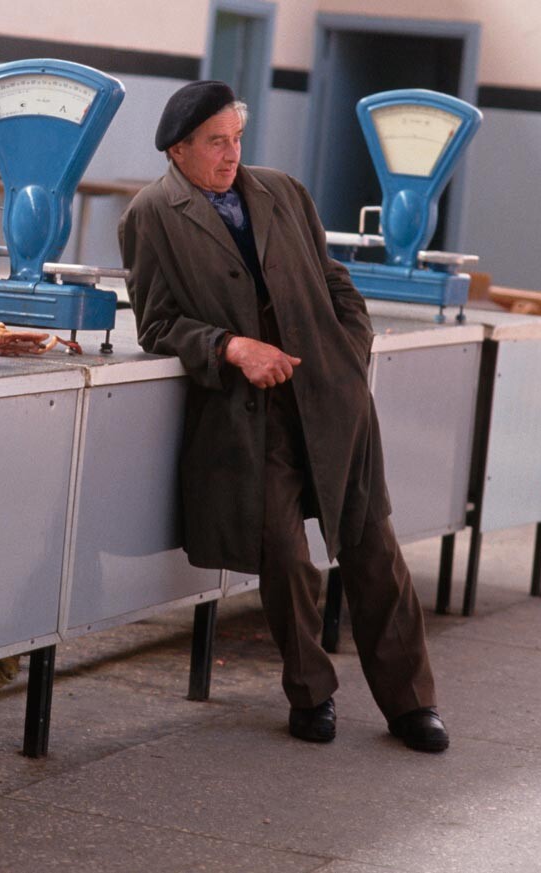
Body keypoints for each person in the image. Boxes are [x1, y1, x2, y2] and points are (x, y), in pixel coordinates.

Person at [119, 80, 448, 753]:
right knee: (284, 554)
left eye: (237, 138)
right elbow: (156, 324)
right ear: (179, 150)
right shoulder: (152, 214)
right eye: (216, 142)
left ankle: (413, 704)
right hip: (250, 413)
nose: (231, 153)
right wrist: (231, 347)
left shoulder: (282, 190)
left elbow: (335, 283)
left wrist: (350, 354)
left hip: (330, 396)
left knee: (373, 548)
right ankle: (311, 693)